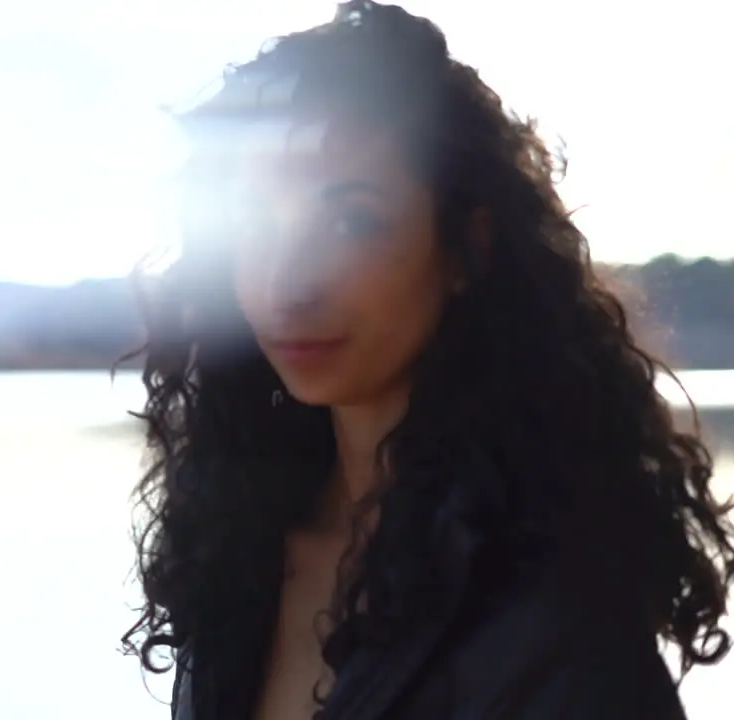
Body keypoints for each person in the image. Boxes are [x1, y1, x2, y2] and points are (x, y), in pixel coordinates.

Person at [118, 2, 734, 718]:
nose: (288, 282)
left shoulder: (548, 603)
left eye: (350, 221)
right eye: (255, 222)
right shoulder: (242, 541)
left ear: (467, 249)